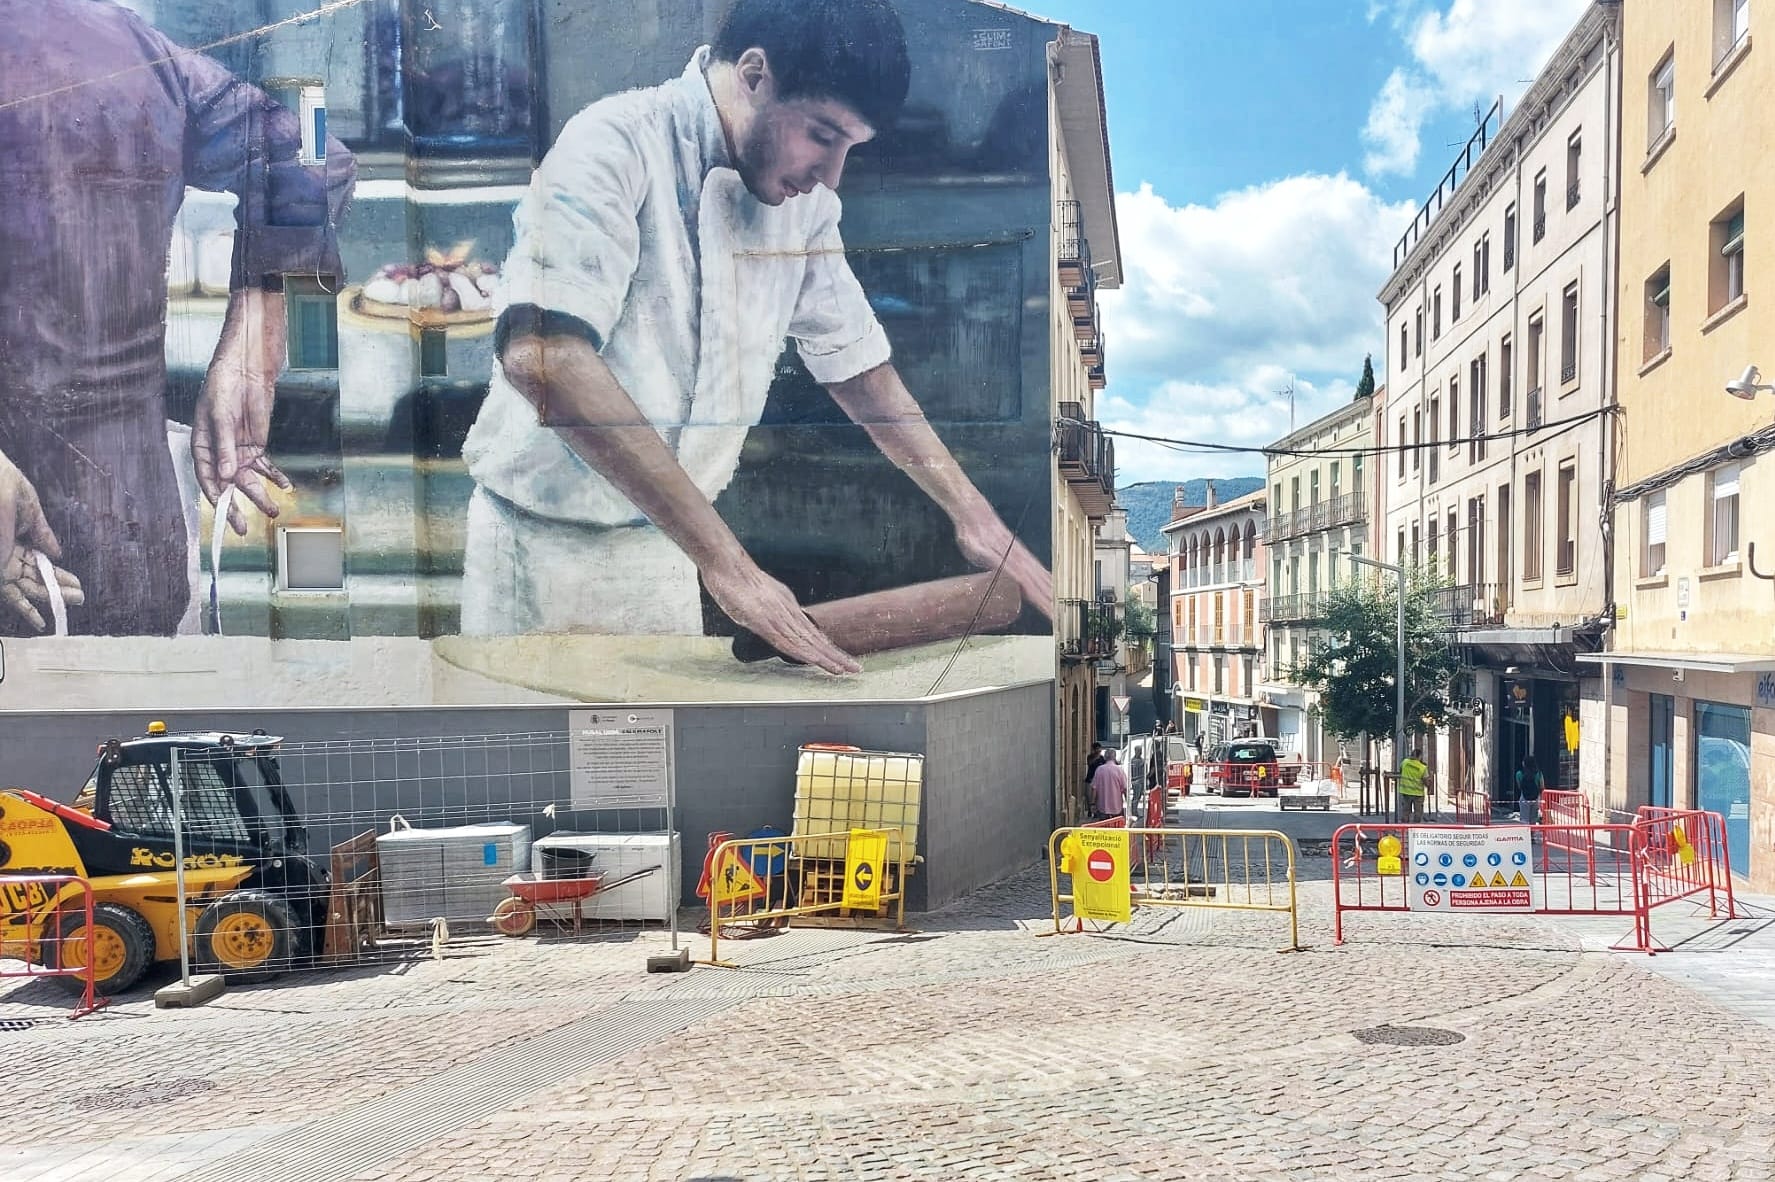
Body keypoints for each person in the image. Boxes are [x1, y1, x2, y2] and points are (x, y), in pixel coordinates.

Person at [458, 0, 1051, 664]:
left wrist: (974, 517)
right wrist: (730, 566)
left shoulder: (804, 209)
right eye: (823, 136)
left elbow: (856, 366)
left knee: (647, 761)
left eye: (849, 149)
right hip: (536, 552)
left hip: (666, 552)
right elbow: (543, 356)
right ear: (752, 73)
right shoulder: (615, 140)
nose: (830, 176)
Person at [0, 0, 356, 635]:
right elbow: (313, 136)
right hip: (121, 545)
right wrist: (256, 332)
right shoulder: (119, 40)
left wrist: (254, 340)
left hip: (62, 558)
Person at [1090, 749, 1129, 822]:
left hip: (1102, 807)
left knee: (1104, 829)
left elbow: (1094, 788)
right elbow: (1124, 788)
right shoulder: (1119, 770)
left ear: (1105, 757)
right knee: (1117, 828)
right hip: (1116, 807)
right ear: (1114, 757)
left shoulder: (1099, 770)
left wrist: (1092, 803)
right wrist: (1128, 802)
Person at [1397, 744, 1430, 823]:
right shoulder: (1422, 767)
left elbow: (1401, 771)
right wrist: (1429, 786)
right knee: (1418, 812)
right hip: (1418, 793)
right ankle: (1416, 829)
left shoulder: (1404, 762)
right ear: (1419, 756)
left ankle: (1404, 828)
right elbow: (1426, 780)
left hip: (1406, 791)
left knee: (1405, 811)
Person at [1515, 756, 1545, 825]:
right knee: (1533, 820)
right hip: (1535, 798)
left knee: (1524, 819)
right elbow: (1542, 786)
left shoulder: (1519, 774)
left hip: (1524, 798)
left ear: (1524, 764)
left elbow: (1519, 787)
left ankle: (1525, 834)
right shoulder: (1539, 774)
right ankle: (1532, 834)